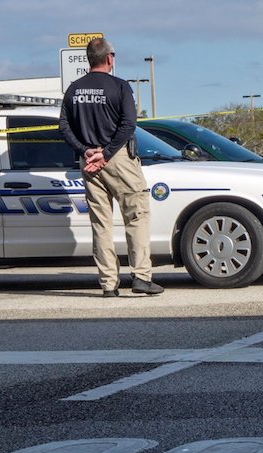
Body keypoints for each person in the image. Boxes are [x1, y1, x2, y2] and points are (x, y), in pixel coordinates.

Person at [59, 37, 163, 297]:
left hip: (89, 161)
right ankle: (141, 276)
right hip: (117, 159)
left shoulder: (73, 89)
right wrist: (106, 153)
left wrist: (85, 151)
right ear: (109, 59)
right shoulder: (119, 86)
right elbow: (129, 125)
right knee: (136, 217)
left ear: (88, 59)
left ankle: (108, 284)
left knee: (101, 224)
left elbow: (64, 127)